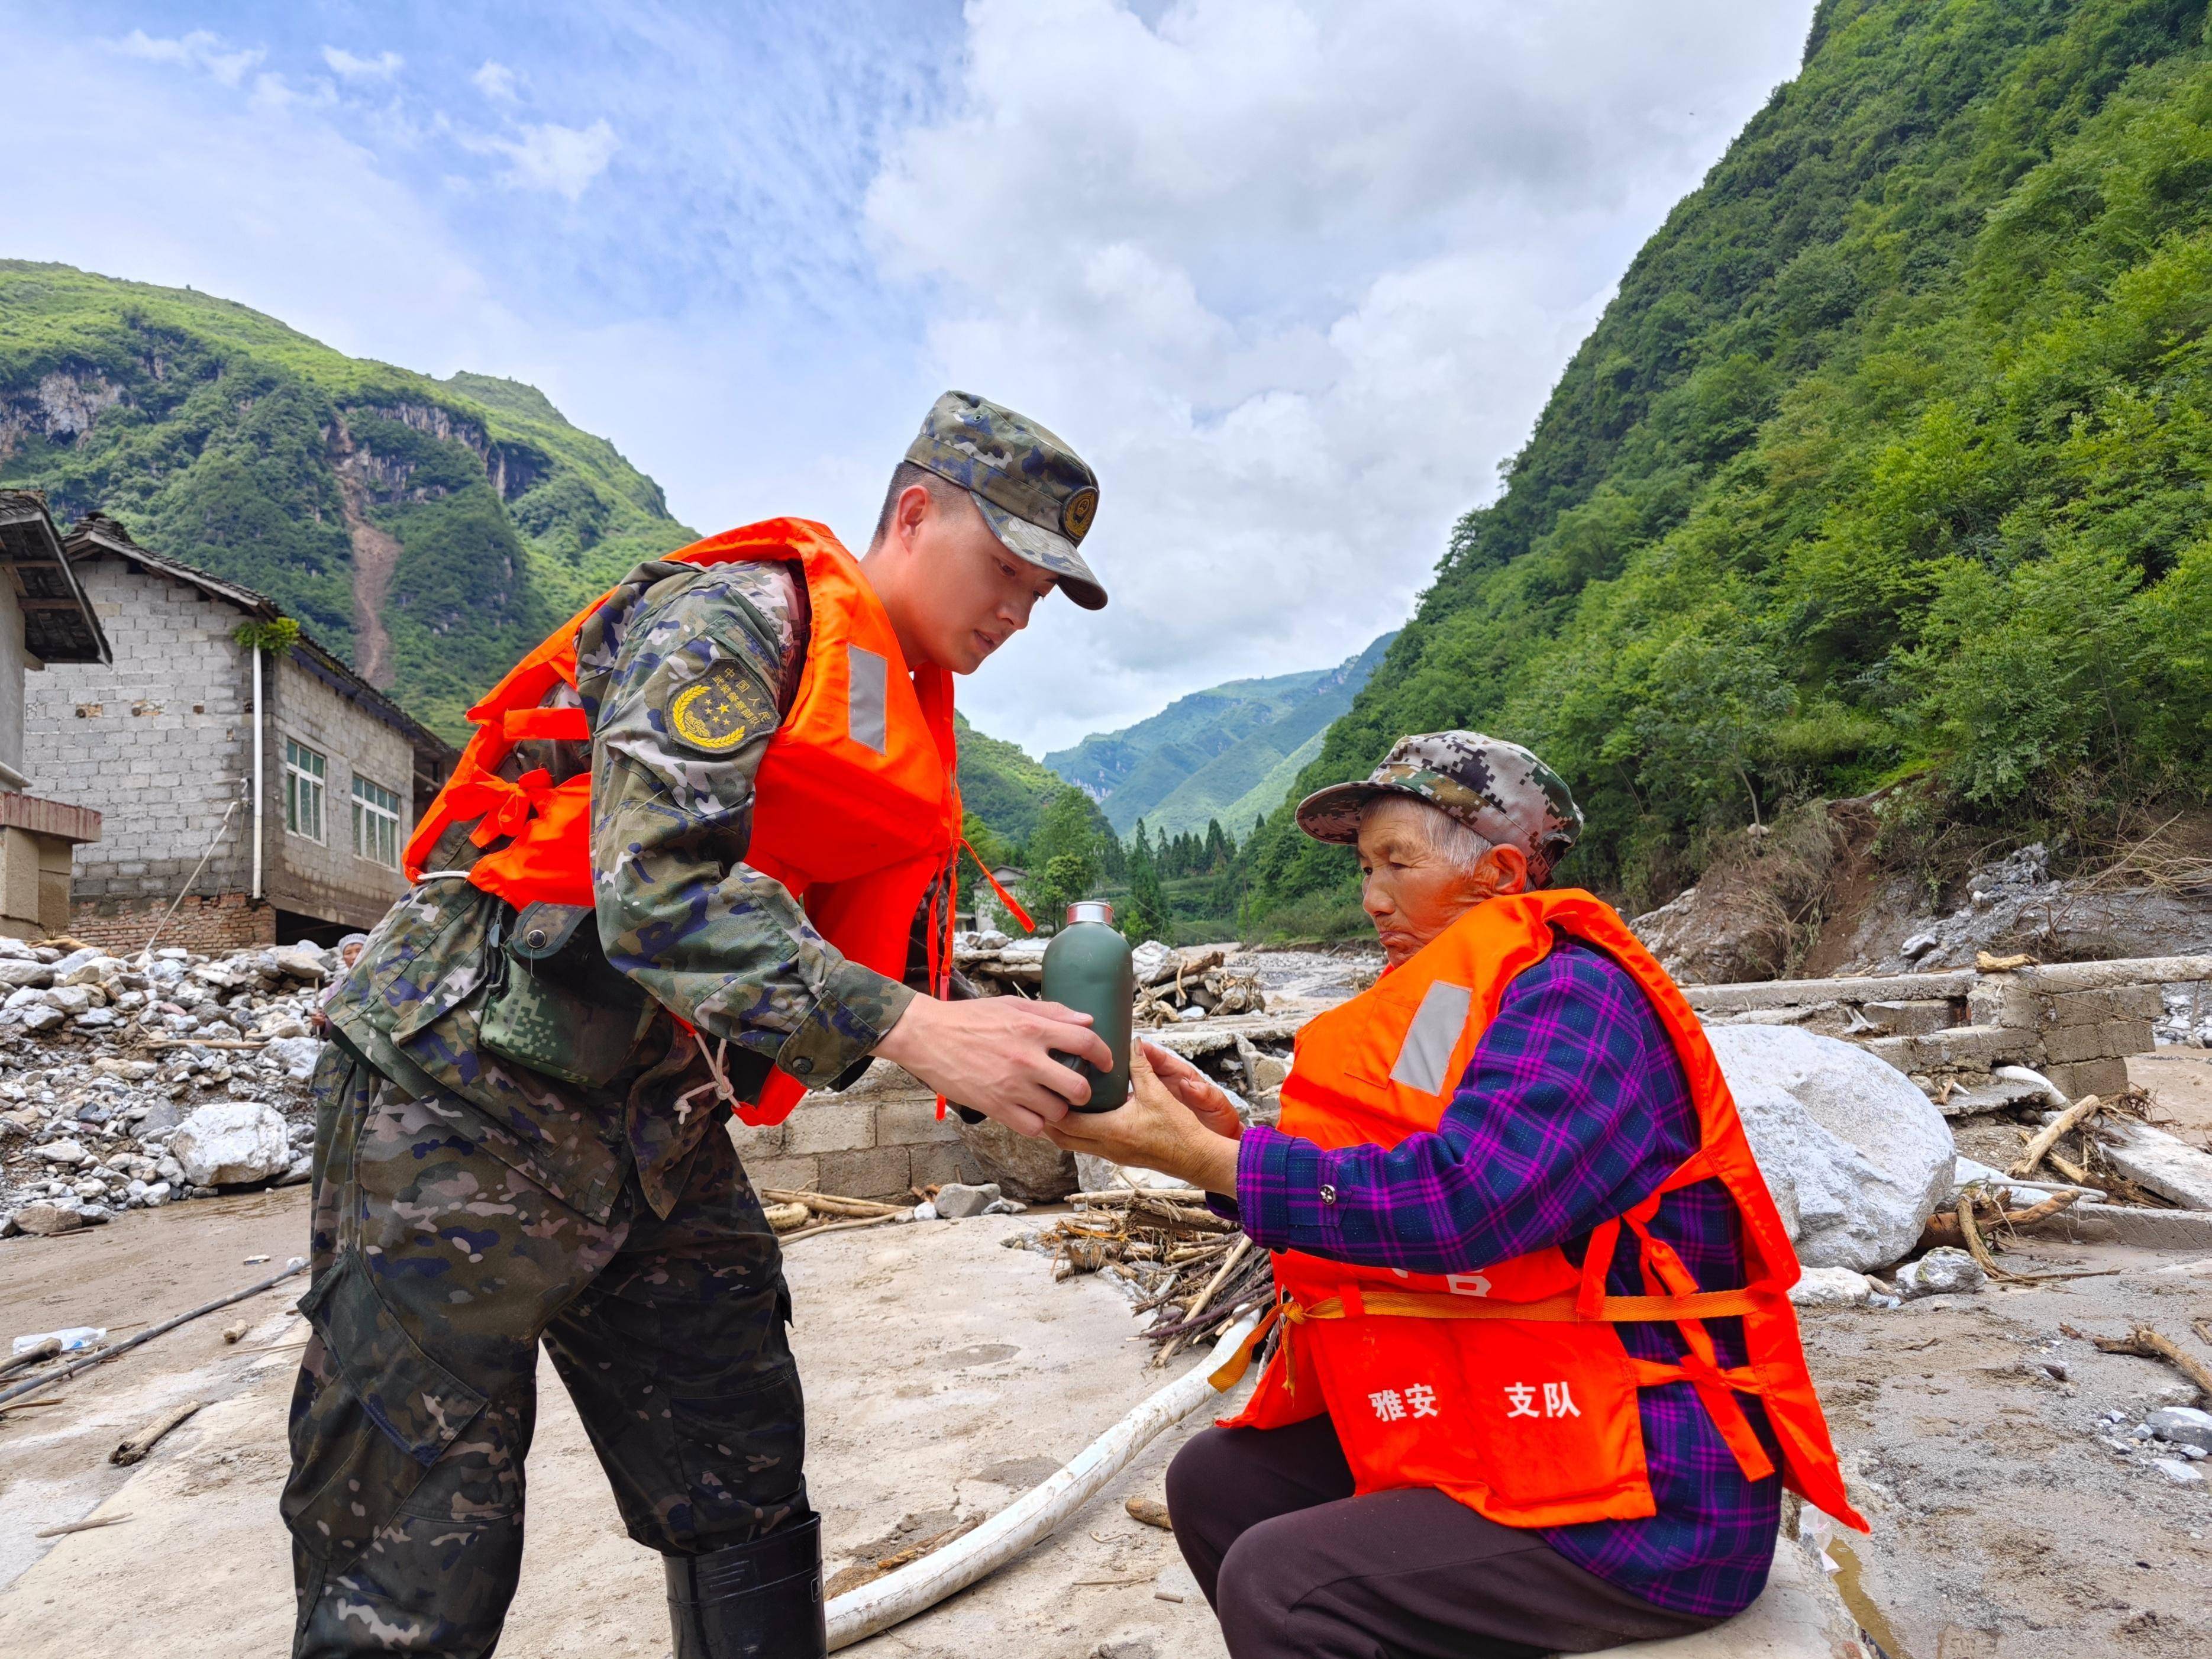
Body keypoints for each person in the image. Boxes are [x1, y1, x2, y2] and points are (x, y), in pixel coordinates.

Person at [286, 393, 1115, 1659]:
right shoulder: (730, 617)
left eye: (1043, 591)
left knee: (738, 1468)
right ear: (911, 513)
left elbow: (837, 955)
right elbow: (658, 897)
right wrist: (917, 1030)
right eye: (1004, 566)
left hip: (652, 1109)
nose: (1016, 609)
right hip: (454, 1087)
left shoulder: (900, 695)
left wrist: (1024, 1042)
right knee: (414, 1544)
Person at [1050, 732, 1867, 1659]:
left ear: (1501, 873)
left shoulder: (1576, 999)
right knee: (1217, 1481)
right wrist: (1234, 1142)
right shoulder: (1449, 1002)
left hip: (1652, 1489)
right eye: (1366, 866)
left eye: (1399, 861)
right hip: (1514, 1418)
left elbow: (1463, 1203)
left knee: (1285, 1586)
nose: (1372, 896)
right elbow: (1379, 1169)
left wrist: (1207, 1161)